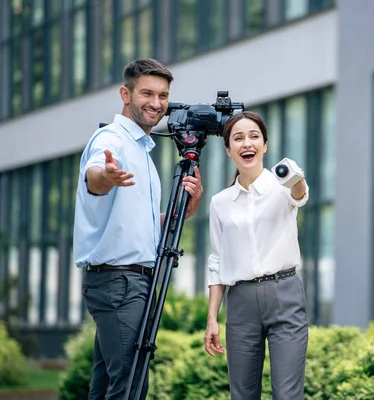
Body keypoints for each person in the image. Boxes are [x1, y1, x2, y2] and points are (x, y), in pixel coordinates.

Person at [73, 58, 203, 400]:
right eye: (147, 93)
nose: (156, 103)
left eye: (163, 95)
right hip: (118, 282)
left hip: (129, 280)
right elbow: (96, 176)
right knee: (130, 384)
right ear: (125, 94)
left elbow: (143, 225)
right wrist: (106, 178)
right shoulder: (112, 138)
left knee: (108, 387)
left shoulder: (142, 150)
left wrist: (183, 211)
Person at [203, 111, 309, 400]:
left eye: (254, 136)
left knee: (287, 395)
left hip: (284, 294)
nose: (246, 143)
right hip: (241, 303)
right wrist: (212, 317)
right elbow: (217, 261)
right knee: (243, 395)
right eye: (238, 138)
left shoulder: (281, 185)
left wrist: (295, 178)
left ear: (265, 145)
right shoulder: (220, 203)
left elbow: (300, 195)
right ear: (228, 150)